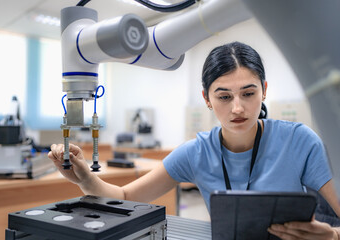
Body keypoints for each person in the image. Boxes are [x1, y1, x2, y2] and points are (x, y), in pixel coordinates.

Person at [49, 42, 340, 239]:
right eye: (224, 96)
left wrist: (334, 234)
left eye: (248, 94)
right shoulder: (196, 152)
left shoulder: (300, 141)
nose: (237, 108)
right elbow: (125, 198)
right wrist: (84, 179)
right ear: (207, 99)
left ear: (264, 90)